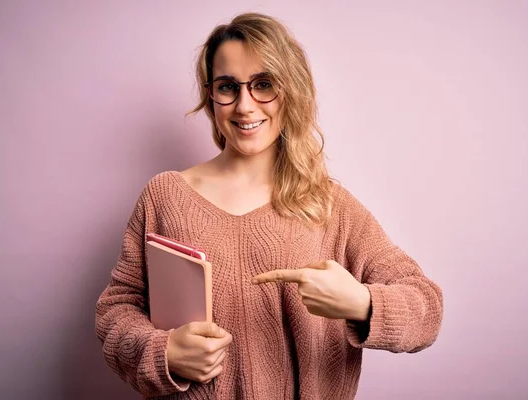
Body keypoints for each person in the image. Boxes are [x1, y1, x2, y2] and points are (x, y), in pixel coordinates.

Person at [95, 12, 443, 400]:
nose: (245, 106)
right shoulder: (165, 197)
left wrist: (361, 302)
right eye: (228, 86)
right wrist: (164, 352)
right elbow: (117, 310)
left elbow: (426, 309)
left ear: (290, 90)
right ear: (211, 95)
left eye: (263, 84)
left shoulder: (329, 206)